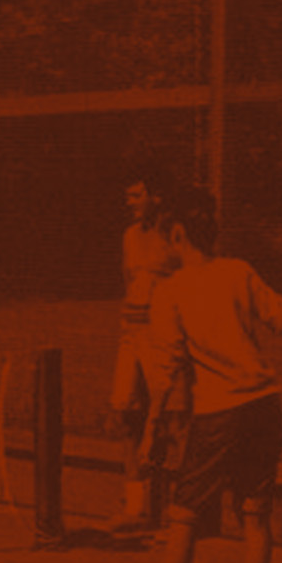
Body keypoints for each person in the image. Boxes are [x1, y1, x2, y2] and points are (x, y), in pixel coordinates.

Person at [120, 188, 282, 563]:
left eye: (166, 237)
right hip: (265, 407)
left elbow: (165, 373)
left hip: (218, 415)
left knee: (183, 517)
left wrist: (152, 430)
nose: (162, 246)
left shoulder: (169, 292)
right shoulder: (239, 271)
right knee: (255, 515)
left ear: (178, 234)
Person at [109, 169, 181, 532]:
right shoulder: (129, 236)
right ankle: (135, 505)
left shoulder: (175, 235)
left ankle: (169, 510)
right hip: (131, 333)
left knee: (167, 416)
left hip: (162, 334)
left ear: (156, 197)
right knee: (125, 413)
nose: (130, 202)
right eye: (128, 196)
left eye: (136, 195)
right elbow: (129, 281)